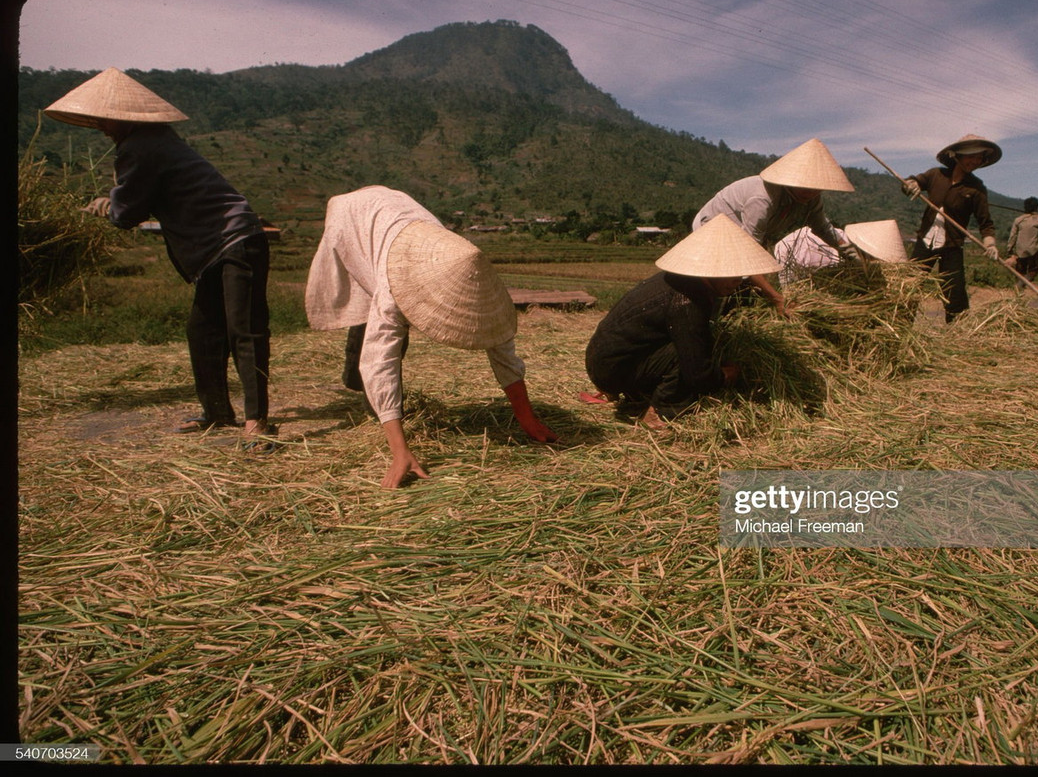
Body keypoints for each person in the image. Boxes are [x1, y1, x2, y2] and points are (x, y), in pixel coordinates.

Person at [44, 68, 273, 448]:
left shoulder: (140, 147)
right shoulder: (155, 140)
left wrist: (107, 206)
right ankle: (217, 412)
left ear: (124, 118)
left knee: (244, 330)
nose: (101, 126)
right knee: (202, 331)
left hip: (236, 241)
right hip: (214, 247)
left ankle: (256, 421)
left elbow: (127, 213)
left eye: (105, 119)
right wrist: (116, 202)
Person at [305, 186, 557, 487]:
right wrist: (400, 451)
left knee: (390, 328)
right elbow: (378, 360)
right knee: (377, 328)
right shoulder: (392, 285)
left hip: (396, 213)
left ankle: (377, 403)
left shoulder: (472, 271)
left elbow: (502, 349)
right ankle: (370, 400)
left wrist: (526, 417)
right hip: (353, 216)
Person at [581, 213, 781, 428]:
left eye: (740, 274)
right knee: (689, 355)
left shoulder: (682, 281)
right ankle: (661, 410)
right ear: (711, 269)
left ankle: (638, 390)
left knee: (697, 344)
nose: (736, 280)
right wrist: (723, 376)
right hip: (611, 371)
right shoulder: (688, 300)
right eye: (730, 273)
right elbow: (697, 375)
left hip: (604, 360)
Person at [693, 138, 859, 313]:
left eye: (816, 188)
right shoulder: (762, 198)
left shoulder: (811, 198)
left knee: (747, 288)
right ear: (791, 180)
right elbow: (747, 254)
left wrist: (847, 250)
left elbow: (822, 227)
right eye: (805, 187)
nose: (810, 193)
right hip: (715, 227)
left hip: (747, 239)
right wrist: (777, 299)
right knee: (723, 283)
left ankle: (742, 312)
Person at [901, 134, 1001, 322]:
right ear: (957, 156)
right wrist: (911, 185)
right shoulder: (936, 175)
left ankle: (957, 332)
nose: (975, 161)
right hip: (925, 242)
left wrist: (990, 244)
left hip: (952, 246)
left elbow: (985, 223)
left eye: (979, 158)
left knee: (954, 292)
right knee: (910, 285)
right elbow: (914, 182)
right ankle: (900, 326)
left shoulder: (976, 189)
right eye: (971, 156)